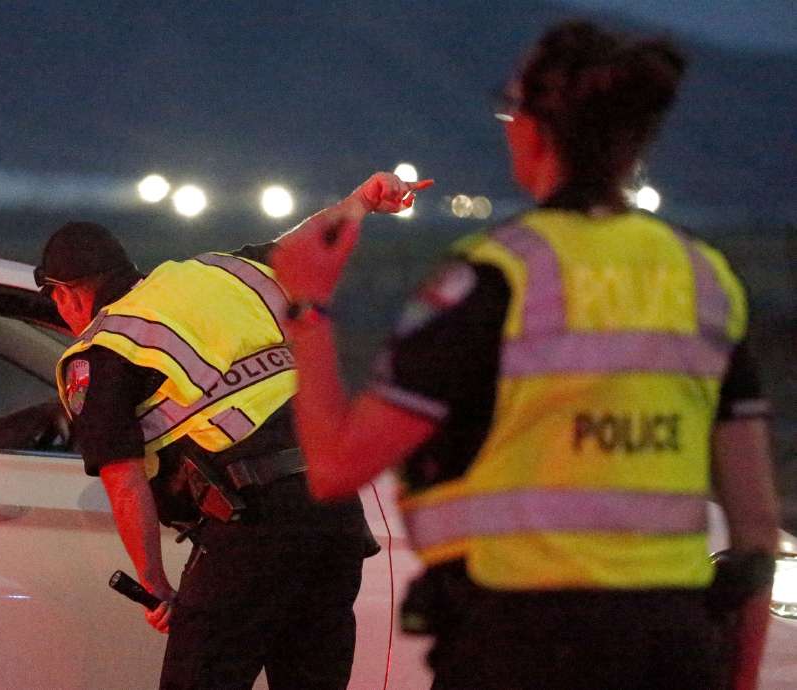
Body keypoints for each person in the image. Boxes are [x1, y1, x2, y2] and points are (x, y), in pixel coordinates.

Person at [271, 21, 779, 690]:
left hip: (521, 644)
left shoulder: (493, 279)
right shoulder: (704, 278)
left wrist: (308, 310)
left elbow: (336, 466)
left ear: (531, 131)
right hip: (673, 646)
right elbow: (757, 529)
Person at [35, 219, 395, 689]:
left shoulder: (103, 348)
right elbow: (299, 243)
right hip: (336, 517)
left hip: (254, 527)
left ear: (67, 293)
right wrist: (364, 199)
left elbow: (123, 479)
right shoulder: (215, 275)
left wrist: (153, 581)